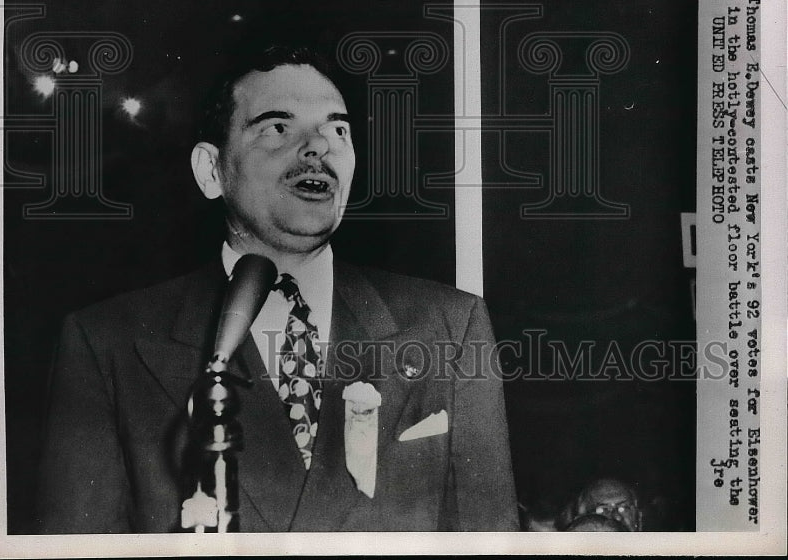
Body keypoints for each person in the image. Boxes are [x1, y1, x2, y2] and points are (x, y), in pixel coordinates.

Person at [36, 44, 519, 533]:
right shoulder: (107, 345)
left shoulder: (449, 328)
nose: (318, 147)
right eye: (277, 127)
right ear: (211, 170)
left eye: (337, 130)